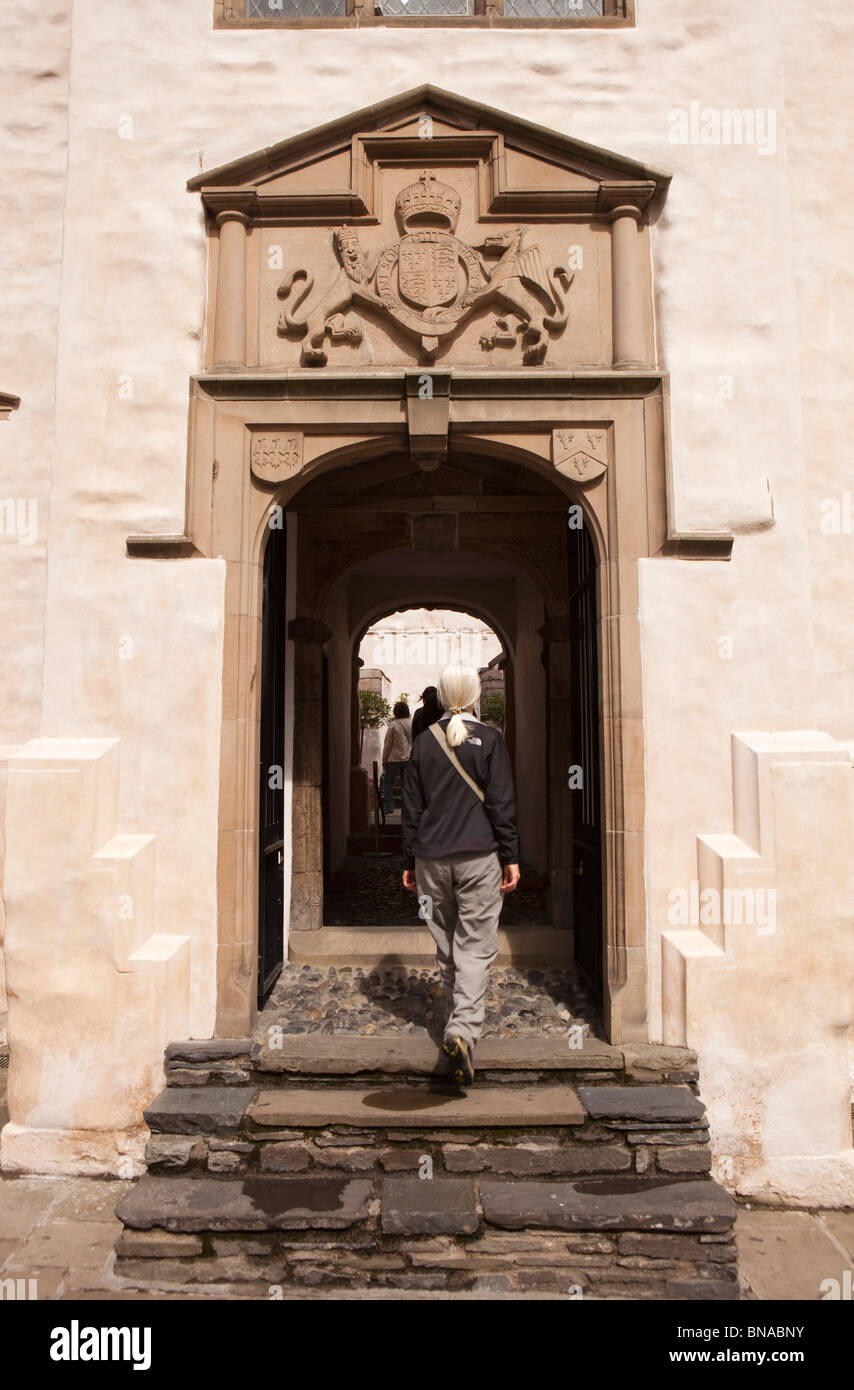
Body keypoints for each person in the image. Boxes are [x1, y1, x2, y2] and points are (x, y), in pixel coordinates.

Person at [401, 663, 520, 1086]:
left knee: (448, 946)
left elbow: (411, 807)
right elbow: (501, 803)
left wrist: (408, 861)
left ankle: (458, 1032)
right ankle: (462, 1033)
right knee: (475, 946)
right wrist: (511, 855)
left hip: (431, 859)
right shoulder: (490, 739)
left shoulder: (422, 742)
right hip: (478, 857)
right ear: (472, 696)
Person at [381, 700, 412, 815]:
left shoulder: (393, 725)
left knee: (388, 783)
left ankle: (389, 807)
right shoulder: (411, 723)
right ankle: (406, 808)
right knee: (406, 784)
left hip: (393, 759)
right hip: (408, 758)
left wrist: (384, 759)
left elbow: (388, 744)